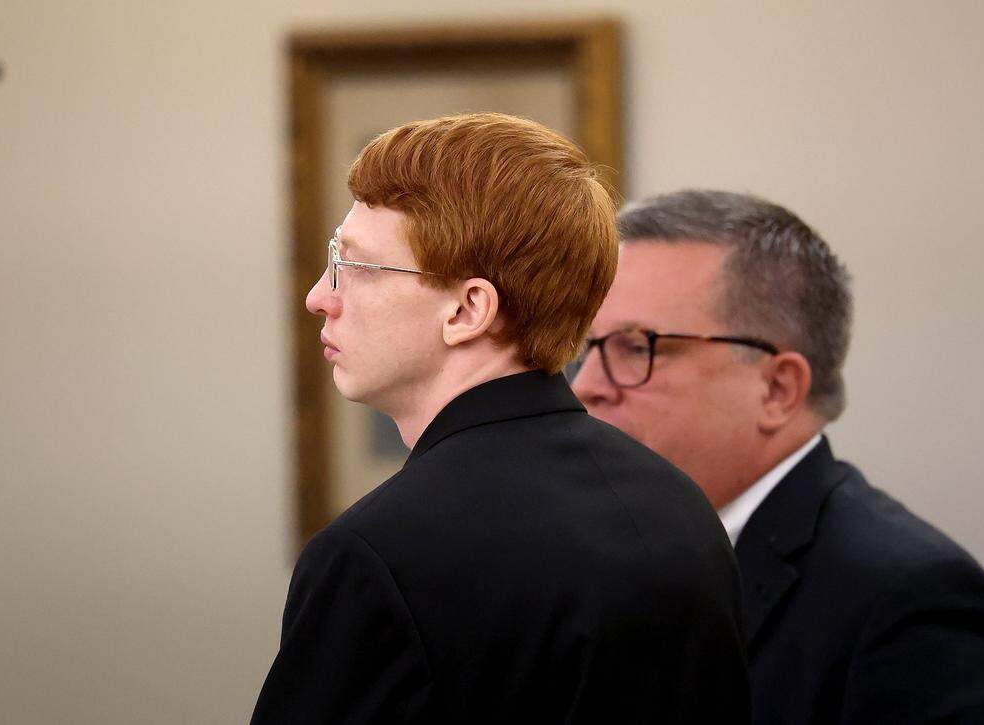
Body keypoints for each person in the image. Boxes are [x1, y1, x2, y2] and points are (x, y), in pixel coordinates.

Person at [250, 116, 749, 723]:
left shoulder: (373, 555)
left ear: (468, 310)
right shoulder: (683, 508)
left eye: (356, 266)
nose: (319, 296)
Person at [571, 188, 984, 723]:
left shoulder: (914, 603)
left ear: (777, 388)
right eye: (586, 348)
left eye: (636, 347)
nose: (585, 387)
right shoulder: (601, 555)